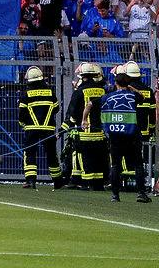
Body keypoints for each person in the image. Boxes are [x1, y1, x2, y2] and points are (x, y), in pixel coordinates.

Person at [102, 67, 150, 203]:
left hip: (116, 135)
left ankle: (115, 195)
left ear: (116, 82)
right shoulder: (132, 96)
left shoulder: (110, 96)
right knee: (138, 164)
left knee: (115, 165)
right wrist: (130, 88)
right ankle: (141, 193)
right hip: (132, 135)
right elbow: (142, 97)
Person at [64, 62, 108, 190]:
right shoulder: (102, 90)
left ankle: (86, 183)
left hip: (85, 132)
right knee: (99, 158)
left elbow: (72, 112)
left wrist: (66, 126)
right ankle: (99, 183)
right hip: (100, 132)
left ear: (82, 76)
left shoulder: (79, 91)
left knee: (85, 157)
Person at [17, 66, 58, 189]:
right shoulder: (50, 92)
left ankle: (31, 180)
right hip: (49, 128)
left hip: (31, 128)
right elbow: (56, 108)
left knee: (30, 153)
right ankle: (57, 180)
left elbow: (22, 114)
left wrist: (24, 124)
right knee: (51, 154)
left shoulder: (27, 94)